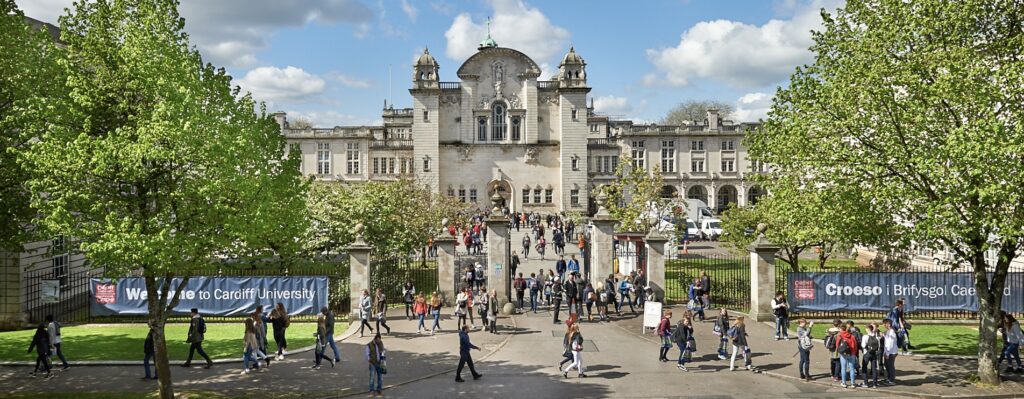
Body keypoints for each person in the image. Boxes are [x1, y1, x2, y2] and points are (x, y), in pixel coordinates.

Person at [837, 323, 859, 388]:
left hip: (843, 354)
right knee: (852, 369)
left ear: (841, 329)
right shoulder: (852, 336)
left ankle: (844, 383)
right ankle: (853, 383)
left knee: (843, 368)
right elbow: (855, 346)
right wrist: (854, 354)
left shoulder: (839, 336)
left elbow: (837, 345)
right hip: (852, 354)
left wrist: (840, 351)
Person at [882, 318, 898, 384]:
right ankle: (889, 378)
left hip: (891, 352)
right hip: (888, 352)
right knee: (887, 365)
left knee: (890, 366)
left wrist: (887, 353)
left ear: (888, 324)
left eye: (884, 324)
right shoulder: (888, 331)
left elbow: (890, 344)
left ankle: (891, 380)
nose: (884, 325)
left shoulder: (891, 332)